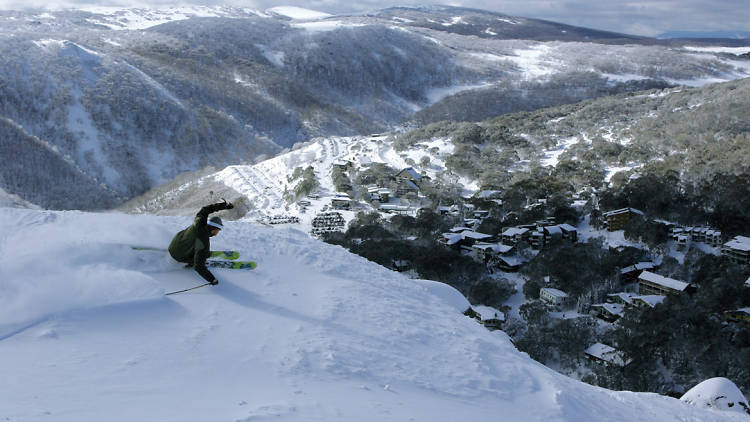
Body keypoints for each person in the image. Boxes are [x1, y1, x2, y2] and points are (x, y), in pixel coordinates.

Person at [168, 199, 234, 285]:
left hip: (174, 243)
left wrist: (224, 205)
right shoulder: (203, 241)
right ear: (213, 229)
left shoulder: (199, 221)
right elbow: (198, 267)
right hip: (178, 256)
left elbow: (205, 210)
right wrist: (212, 279)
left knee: (200, 250)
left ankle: (203, 254)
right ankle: (195, 260)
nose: (217, 233)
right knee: (201, 256)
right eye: (218, 231)